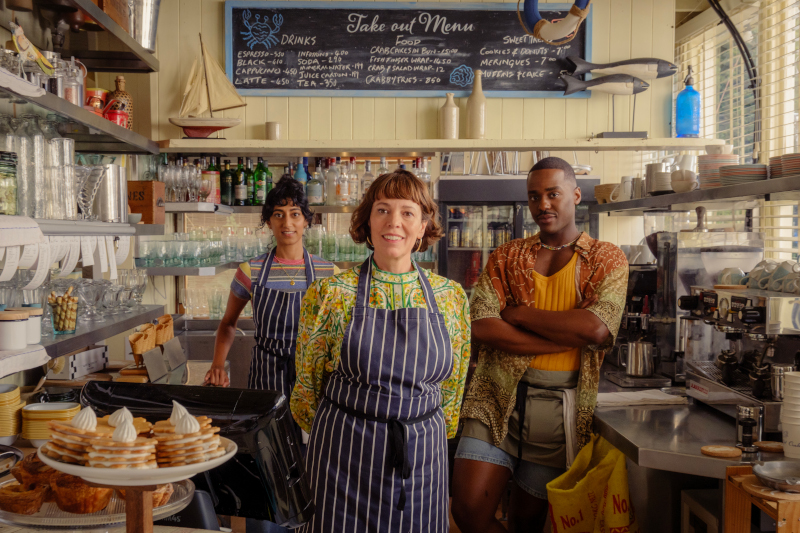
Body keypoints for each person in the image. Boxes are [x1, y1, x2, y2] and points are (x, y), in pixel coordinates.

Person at [451, 157, 628, 533]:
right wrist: (558, 340)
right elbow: (481, 324)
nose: (542, 204)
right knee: (468, 511)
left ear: (576, 195)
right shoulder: (507, 256)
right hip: (496, 393)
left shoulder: (605, 258)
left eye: (553, 194)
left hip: (559, 409)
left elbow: (596, 329)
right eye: (534, 196)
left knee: (526, 522)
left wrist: (518, 314)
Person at [291, 169, 471, 532]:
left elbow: (452, 390)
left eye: (408, 212)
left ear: (423, 226)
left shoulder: (450, 297)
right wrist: (351, 430)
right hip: (344, 455)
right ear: (367, 221)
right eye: (383, 210)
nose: (395, 222)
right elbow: (306, 392)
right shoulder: (329, 295)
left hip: (422, 454)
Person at [204, 176, 335, 397]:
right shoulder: (250, 271)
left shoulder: (329, 273)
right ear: (268, 222)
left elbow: (340, 332)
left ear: (306, 221)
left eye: (295, 214)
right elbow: (228, 323)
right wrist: (218, 364)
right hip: (266, 378)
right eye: (278, 215)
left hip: (314, 379)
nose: (287, 223)